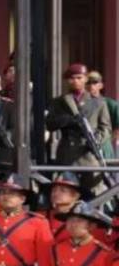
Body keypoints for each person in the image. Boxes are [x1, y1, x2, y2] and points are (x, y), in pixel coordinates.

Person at [47, 64, 112, 192]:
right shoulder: (59, 102)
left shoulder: (98, 102)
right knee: (66, 192)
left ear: (86, 79)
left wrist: (95, 140)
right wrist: (68, 120)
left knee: (93, 194)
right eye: (72, 78)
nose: (76, 81)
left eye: (79, 77)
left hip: (89, 154)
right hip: (67, 154)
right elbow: (50, 124)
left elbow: (105, 128)